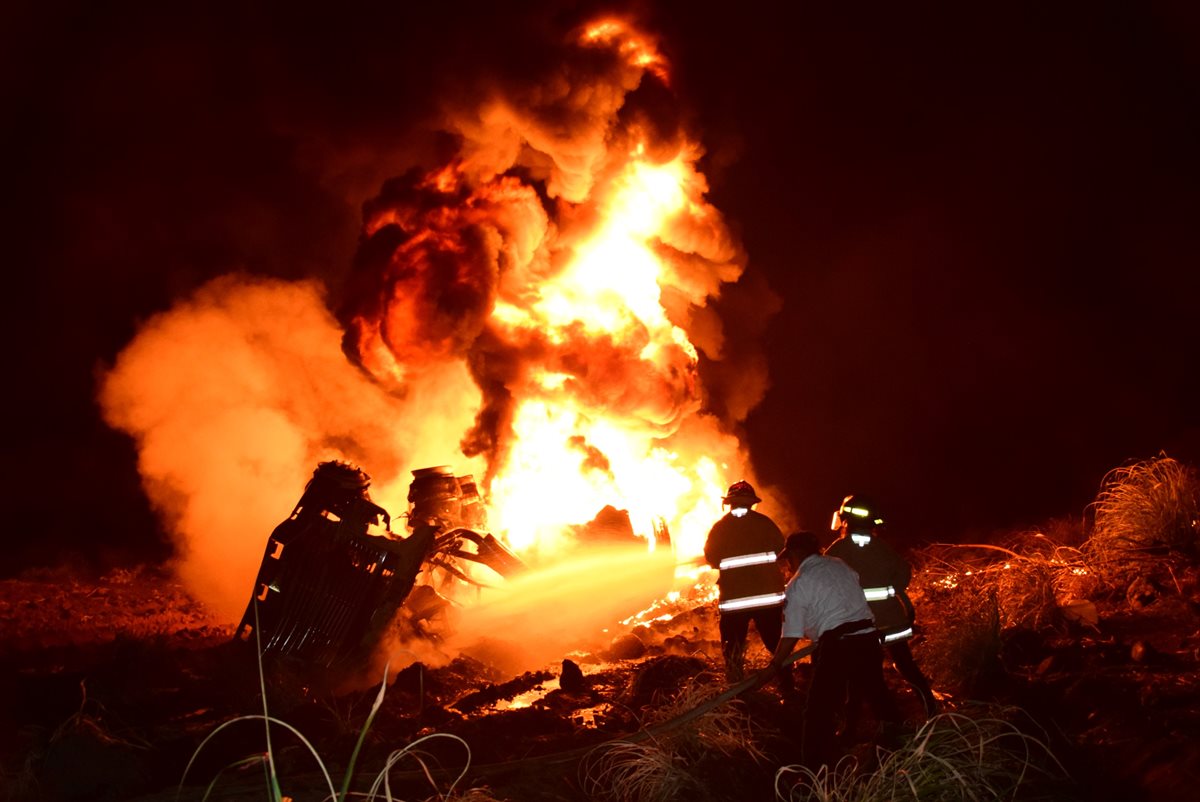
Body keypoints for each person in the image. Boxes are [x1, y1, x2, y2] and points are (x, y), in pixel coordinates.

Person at [766, 531, 901, 769]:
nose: (787, 565)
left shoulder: (798, 583)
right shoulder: (839, 565)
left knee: (818, 711)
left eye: (788, 559)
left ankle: (810, 772)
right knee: (879, 697)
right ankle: (905, 749)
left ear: (795, 555)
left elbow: (791, 635)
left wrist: (775, 665)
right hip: (868, 639)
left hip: (838, 646)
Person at [826, 494, 938, 717]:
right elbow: (903, 574)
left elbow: (822, 579)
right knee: (906, 666)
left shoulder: (837, 550)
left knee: (856, 676)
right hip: (892, 622)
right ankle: (931, 709)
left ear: (844, 519)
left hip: (859, 626)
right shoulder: (882, 548)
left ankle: (851, 727)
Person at [704, 480, 786, 683]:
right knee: (776, 644)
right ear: (751, 503)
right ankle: (787, 685)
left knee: (733, 649)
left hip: (734, 600)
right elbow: (781, 549)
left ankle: (735, 691)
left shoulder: (720, 528)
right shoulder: (765, 523)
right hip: (767, 600)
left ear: (729, 503)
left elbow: (711, 559)